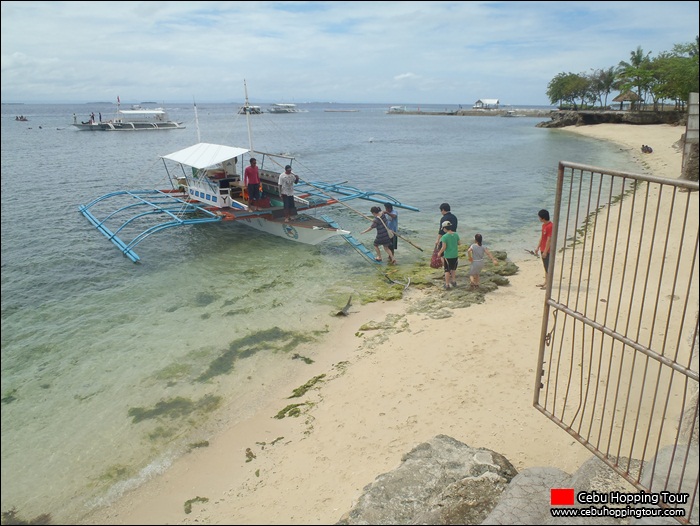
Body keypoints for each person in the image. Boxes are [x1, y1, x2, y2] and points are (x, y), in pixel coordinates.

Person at [437, 220, 460, 289]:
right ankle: (453, 281)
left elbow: (444, 247)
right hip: (455, 255)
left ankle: (447, 284)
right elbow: (459, 243)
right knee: (453, 269)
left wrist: (439, 253)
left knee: (447, 270)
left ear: (444, 228)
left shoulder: (444, 237)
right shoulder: (456, 234)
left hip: (448, 256)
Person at [534, 209, 553, 289]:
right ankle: (546, 282)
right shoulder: (543, 225)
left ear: (543, 218)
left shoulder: (550, 226)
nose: (539, 219)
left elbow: (549, 239)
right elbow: (542, 237)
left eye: (539, 217)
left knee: (548, 267)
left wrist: (545, 251)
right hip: (542, 248)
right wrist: (538, 247)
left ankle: (548, 284)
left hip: (547, 250)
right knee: (545, 266)